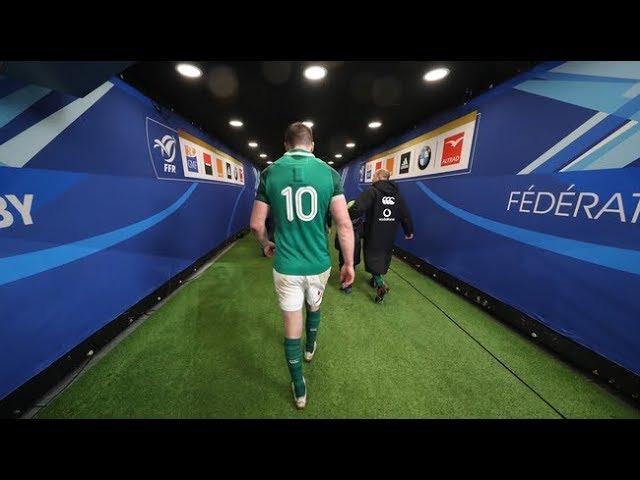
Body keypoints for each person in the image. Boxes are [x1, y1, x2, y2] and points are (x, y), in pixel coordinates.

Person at [249, 122, 355, 409]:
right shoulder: (329, 173)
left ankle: (299, 388)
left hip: (286, 266)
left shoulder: (270, 172)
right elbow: (344, 225)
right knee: (315, 306)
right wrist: (348, 263)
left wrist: (266, 244)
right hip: (319, 263)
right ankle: (310, 348)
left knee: (290, 327)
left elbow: (257, 224)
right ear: (312, 145)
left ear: (286, 145)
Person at [350, 168, 413, 303]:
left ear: (379, 177)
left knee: (372, 257)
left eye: (373, 176)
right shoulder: (398, 195)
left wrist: (347, 217)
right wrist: (409, 231)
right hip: (389, 234)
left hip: (373, 232)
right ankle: (374, 279)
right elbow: (405, 215)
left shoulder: (372, 191)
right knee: (382, 257)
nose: (372, 178)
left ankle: (380, 283)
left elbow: (358, 207)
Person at [335, 200, 363, 294]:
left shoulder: (342, 229)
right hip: (354, 257)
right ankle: (348, 284)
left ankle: (345, 285)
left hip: (343, 256)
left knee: (343, 266)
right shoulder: (359, 228)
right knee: (352, 267)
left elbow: (337, 243)